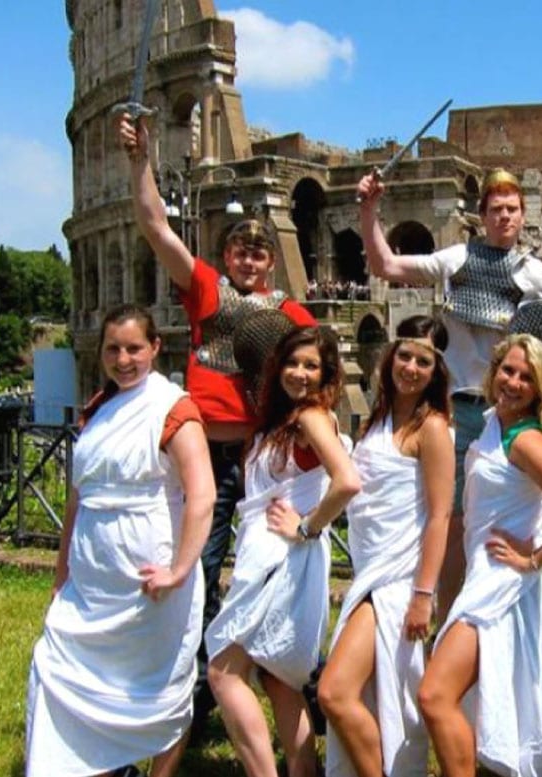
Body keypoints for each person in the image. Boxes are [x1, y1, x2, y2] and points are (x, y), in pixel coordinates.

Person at [119, 113, 317, 732]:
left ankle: (294, 681)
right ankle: (192, 687)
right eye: (240, 248)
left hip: (261, 463)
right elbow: (156, 227)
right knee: (197, 570)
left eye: (260, 250)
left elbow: (320, 376)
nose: (251, 257)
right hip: (204, 458)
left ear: (271, 261)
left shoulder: (289, 312)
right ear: (226, 254)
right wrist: (141, 161)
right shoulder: (207, 290)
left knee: (269, 576)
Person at [356, 168, 542, 615]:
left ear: (523, 217)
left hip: (509, 410)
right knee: (448, 520)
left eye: (512, 209)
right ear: (482, 215)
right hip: (456, 408)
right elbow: (385, 265)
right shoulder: (455, 260)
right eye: (496, 209)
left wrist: (529, 346)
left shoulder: (532, 271)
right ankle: (445, 619)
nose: (504, 217)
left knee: (512, 516)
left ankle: (515, 610)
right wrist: (369, 210)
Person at [26, 304, 214, 777]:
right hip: (92, 581)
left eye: (134, 348)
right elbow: (77, 499)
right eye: (113, 348)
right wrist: (61, 574)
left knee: (158, 693)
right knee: (57, 669)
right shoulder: (99, 408)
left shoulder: (174, 409)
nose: (123, 358)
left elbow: (202, 495)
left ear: (155, 348)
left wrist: (179, 570)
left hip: (150, 579)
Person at [416, 334, 542, 777]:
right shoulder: (495, 423)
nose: (513, 382)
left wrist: (534, 558)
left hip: (502, 586)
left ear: (540, 389)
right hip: (486, 575)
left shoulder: (524, 439)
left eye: (526, 377)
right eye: (508, 370)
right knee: (463, 699)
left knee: (435, 696)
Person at [204, 325, 360, 777]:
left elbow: (347, 481)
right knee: (279, 680)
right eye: (293, 363)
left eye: (311, 365)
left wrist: (307, 528)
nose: (299, 373)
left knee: (223, 672)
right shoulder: (285, 417)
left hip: (283, 556)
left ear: (327, 373)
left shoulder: (311, 417)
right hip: (281, 556)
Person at [321, 316, 455, 777]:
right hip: (368, 570)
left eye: (423, 361)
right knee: (362, 695)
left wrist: (423, 594)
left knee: (335, 692)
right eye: (405, 356)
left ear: (436, 370)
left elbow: (440, 515)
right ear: (390, 356)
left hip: (399, 579)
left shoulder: (432, 428)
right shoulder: (377, 418)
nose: (411, 368)